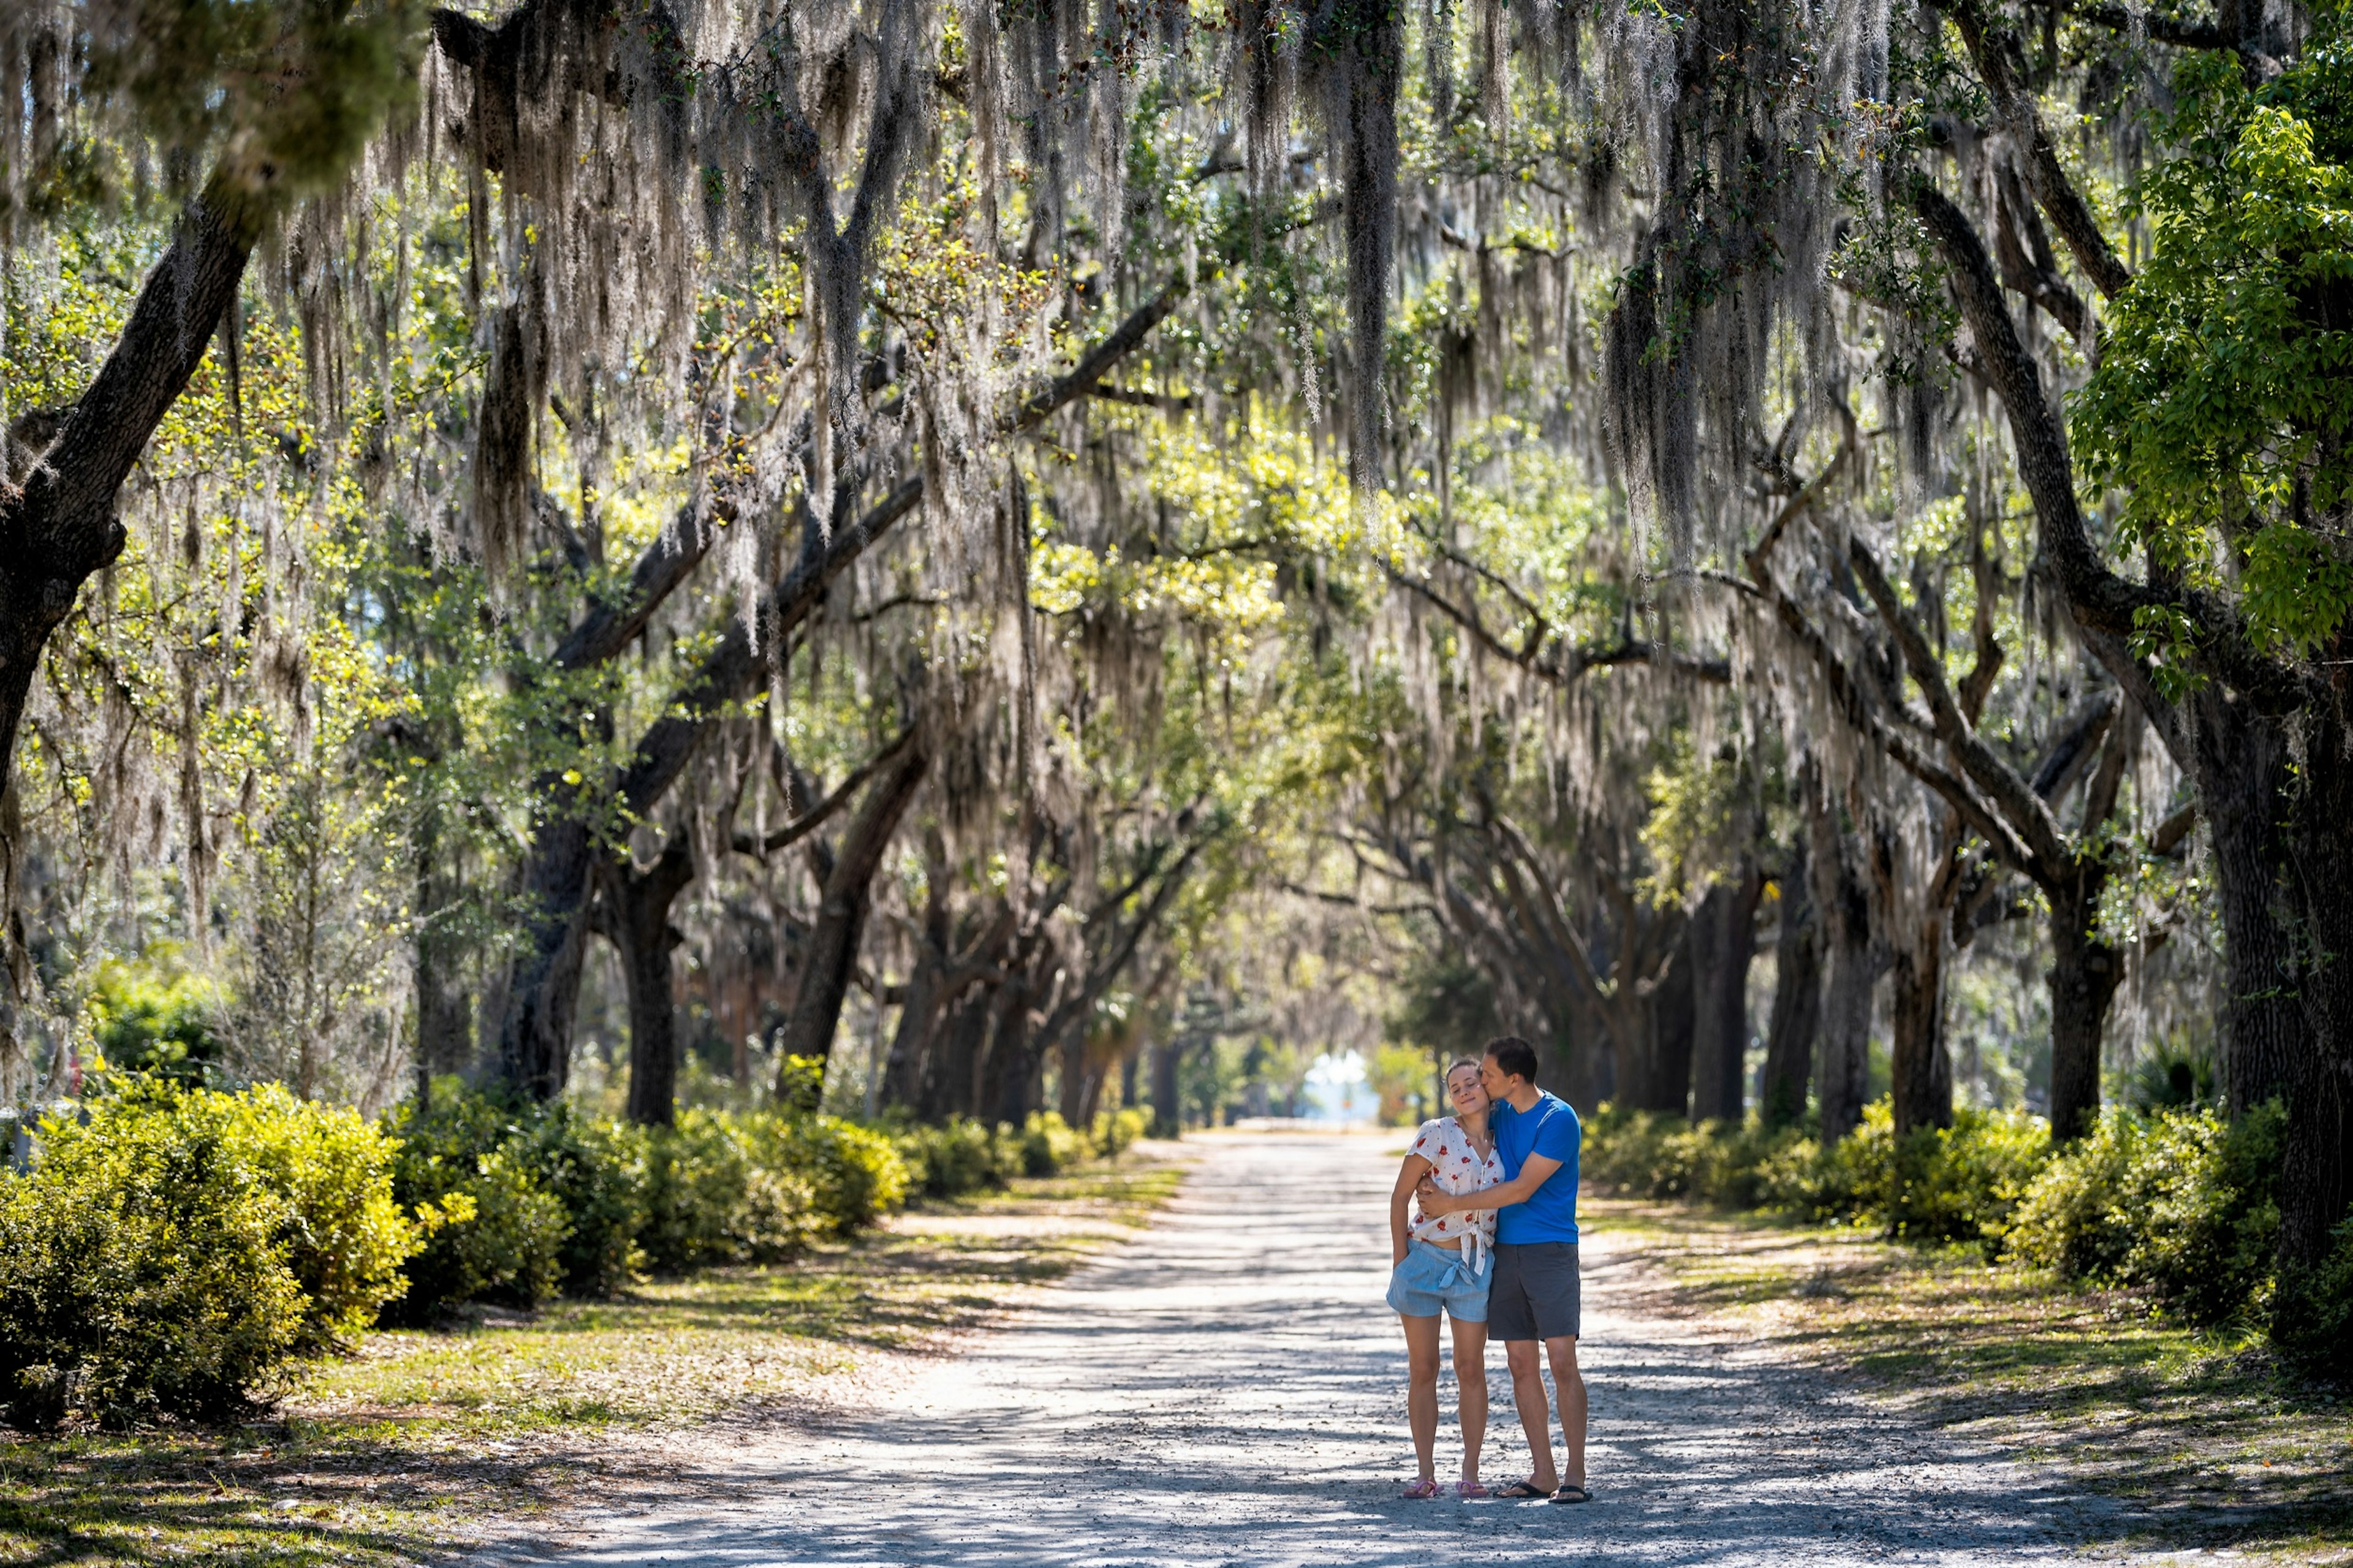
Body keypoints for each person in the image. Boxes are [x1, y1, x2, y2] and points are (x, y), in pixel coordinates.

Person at [1416, 1035, 1587, 1504]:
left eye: (1487, 1075)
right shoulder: (1502, 1114)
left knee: (1562, 1361)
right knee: (1519, 1364)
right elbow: (1457, 1139)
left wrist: (1452, 1203)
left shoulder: (1559, 1119)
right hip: (1502, 1250)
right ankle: (1544, 1471)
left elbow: (1520, 1189)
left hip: (1550, 1249)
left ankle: (1575, 1471)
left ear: (1513, 1079)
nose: (1481, 1082)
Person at [1385, 1058, 1505, 1499]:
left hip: (1475, 1265)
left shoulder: (1504, 1137)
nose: (1463, 1090)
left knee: (1471, 1367)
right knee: (1424, 1367)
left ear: (1487, 1087)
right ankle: (1425, 1472)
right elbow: (1400, 1196)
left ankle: (1470, 1472)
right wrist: (1402, 1260)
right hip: (1426, 1260)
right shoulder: (1436, 1132)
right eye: (1454, 1086)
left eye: (1471, 1082)